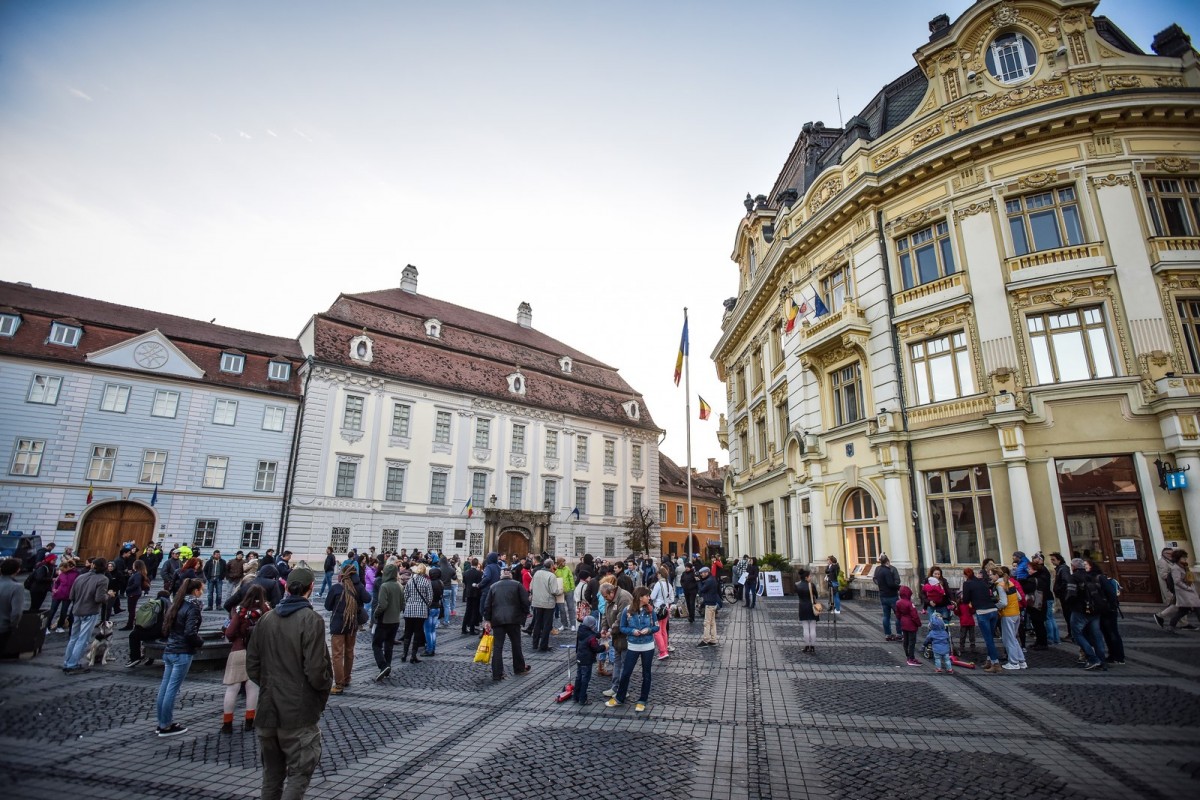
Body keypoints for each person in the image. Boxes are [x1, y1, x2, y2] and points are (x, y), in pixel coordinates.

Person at [246, 565, 333, 800]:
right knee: (298, 774)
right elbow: (316, 670)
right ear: (311, 588)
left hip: (267, 710)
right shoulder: (310, 619)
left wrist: (269, 685)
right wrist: (322, 689)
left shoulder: (266, 618)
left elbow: (252, 665)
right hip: (297, 712)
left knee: (271, 776)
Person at [156, 577, 205, 736]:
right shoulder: (193, 607)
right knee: (172, 689)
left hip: (170, 650)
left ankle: (162, 722)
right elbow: (190, 632)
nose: (202, 592)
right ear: (195, 591)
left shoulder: (176, 604)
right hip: (182, 652)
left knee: (165, 688)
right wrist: (199, 642)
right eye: (201, 589)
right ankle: (166, 726)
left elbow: (168, 628)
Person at [223, 584, 268, 731]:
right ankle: (250, 721)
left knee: (232, 688)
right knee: (253, 688)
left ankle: (227, 723)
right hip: (256, 653)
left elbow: (229, 633)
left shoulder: (240, 611)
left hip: (238, 649)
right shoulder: (265, 611)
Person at [606, 586, 659, 712]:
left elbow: (656, 627)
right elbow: (622, 627)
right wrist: (632, 631)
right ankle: (620, 697)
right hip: (633, 645)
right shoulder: (627, 611)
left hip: (648, 646)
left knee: (646, 674)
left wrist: (649, 630)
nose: (649, 598)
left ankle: (642, 700)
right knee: (626, 672)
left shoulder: (651, 611)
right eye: (647, 595)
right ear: (641, 597)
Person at [62, 558, 113, 675]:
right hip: (90, 611)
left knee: (73, 637)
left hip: (76, 610)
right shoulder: (103, 579)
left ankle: (67, 661)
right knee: (83, 639)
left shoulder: (80, 576)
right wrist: (108, 595)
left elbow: (72, 595)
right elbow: (99, 598)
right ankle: (72, 664)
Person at [325, 565, 369, 693]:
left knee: (337, 655)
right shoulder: (358, 587)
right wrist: (359, 585)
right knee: (349, 652)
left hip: (338, 625)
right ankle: (347, 677)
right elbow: (368, 599)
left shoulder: (336, 588)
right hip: (352, 624)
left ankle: (339, 684)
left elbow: (327, 606)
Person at [483, 568, 531, 681]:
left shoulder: (493, 586)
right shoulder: (517, 585)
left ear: (501, 575)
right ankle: (519, 668)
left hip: (497, 620)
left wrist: (487, 620)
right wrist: (523, 616)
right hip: (514, 620)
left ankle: (497, 673)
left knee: (498, 647)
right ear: (510, 575)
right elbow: (525, 602)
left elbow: (487, 605)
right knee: (516, 644)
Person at [1065, 558, 1107, 670]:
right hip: (1095, 609)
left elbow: (1071, 594)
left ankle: (1093, 658)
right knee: (1097, 635)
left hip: (1080, 609)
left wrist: (1069, 605)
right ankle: (1102, 660)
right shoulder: (1092, 576)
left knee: (1076, 633)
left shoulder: (1073, 577)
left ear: (1073, 567)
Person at [960, 566, 1001, 673]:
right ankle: (989, 660)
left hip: (983, 612)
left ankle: (995, 663)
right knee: (990, 637)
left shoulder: (967, 583)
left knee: (988, 639)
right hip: (993, 610)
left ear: (965, 575)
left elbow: (965, 600)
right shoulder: (982, 582)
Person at [125, 587, 171, 668]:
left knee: (133, 635)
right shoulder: (170, 604)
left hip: (159, 632)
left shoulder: (157, 603)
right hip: (166, 632)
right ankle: (150, 657)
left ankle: (135, 658)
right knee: (145, 633)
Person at [600, 582, 633, 695]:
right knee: (617, 663)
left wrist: (610, 630)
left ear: (612, 592)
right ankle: (615, 688)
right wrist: (604, 628)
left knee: (624, 664)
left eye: (606, 596)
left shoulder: (624, 598)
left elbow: (621, 619)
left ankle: (623, 690)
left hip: (625, 636)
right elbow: (605, 614)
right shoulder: (609, 599)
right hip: (616, 637)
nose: (605, 599)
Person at [372, 563, 402, 681]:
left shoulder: (384, 586)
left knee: (376, 644)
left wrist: (376, 614)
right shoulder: (399, 585)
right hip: (395, 620)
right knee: (389, 645)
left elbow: (382, 605)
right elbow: (402, 604)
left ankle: (383, 665)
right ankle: (388, 667)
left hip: (384, 620)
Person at [994, 567, 1026, 670]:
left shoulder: (1000, 585)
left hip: (1007, 614)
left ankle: (1013, 662)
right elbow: (1019, 597)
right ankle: (1021, 661)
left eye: (991, 575)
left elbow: (1003, 602)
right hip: (1016, 612)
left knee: (1009, 639)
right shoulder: (1010, 583)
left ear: (996, 575)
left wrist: (995, 607)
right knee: (1013, 638)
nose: (990, 576)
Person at [400, 563, 431, 664]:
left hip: (409, 610)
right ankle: (413, 656)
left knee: (408, 632)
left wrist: (409, 603)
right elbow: (430, 598)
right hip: (421, 611)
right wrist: (425, 604)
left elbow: (405, 595)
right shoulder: (426, 582)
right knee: (417, 633)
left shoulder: (410, 581)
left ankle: (404, 654)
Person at [1164, 550, 1200, 632]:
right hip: (1184, 592)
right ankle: (1171, 625)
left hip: (1188, 591)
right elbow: (1177, 581)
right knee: (1197, 608)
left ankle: (1171, 625)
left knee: (1184, 610)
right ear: (1178, 558)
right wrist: (1187, 588)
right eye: (1183, 557)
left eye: (1185, 557)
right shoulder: (1175, 568)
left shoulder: (1183, 566)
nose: (1185, 559)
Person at [574, 614, 606, 705]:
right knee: (585, 679)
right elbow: (596, 648)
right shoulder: (591, 637)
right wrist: (604, 647)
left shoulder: (581, 630)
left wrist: (599, 635)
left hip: (580, 657)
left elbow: (590, 635)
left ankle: (576, 696)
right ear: (592, 626)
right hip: (587, 660)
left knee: (578, 677)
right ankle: (583, 699)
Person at [529, 558, 559, 652]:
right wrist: (560, 591)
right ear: (551, 566)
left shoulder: (537, 573)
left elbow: (531, 587)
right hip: (548, 603)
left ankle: (535, 644)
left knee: (537, 623)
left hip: (537, 602)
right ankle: (543, 645)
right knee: (546, 625)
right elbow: (554, 591)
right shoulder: (551, 575)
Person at [873, 554, 902, 641]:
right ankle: (899, 633)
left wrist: (881, 585)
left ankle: (887, 634)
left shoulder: (878, 569)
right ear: (887, 561)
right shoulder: (889, 570)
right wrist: (899, 587)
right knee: (898, 615)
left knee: (886, 615)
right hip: (891, 595)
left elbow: (875, 579)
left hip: (883, 595)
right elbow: (892, 583)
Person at [46, 558, 79, 634]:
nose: (61, 571)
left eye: (63, 570)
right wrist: (54, 589)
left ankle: (59, 626)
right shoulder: (62, 574)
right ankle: (47, 626)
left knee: (64, 611)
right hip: (57, 594)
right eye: (61, 570)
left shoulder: (76, 574)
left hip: (68, 596)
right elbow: (57, 583)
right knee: (52, 610)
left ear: (67, 567)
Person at [895, 585, 923, 667]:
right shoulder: (910, 604)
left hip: (903, 623)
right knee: (912, 642)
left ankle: (908, 656)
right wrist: (919, 623)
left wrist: (901, 619)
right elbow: (915, 616)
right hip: (911, 624)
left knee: (906, 641)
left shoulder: (898, 602)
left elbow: (897, 614)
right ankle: (911, 658)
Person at [0, 558, 23, 654]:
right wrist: (13, 625)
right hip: (3, 626)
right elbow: (16, 612)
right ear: (17, 570)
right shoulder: (16, 587)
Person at [650, 566, 673, 660]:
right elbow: (671, 599)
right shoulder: (669, 584)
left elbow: (652, 597)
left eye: (657, 574)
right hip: (666, 608)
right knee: (664, 630)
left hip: (658, 609)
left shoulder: (658, 584)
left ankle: (662, 652)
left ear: (660, 574)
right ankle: (665, 649)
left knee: (657, 632)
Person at [796, 568, 820, 654]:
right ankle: (812, 646)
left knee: (805, 628)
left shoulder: (797, 585)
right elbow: (816, 595)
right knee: (813, 628)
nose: (811, 577)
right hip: (812, 607)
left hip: (802, 607)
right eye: (810, 576)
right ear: (806, 577)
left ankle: (806, 646)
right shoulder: (811, 585)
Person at [123, 559, 150, 631]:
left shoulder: (138, 574)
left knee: (131, 610)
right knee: (131, 609)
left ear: (136, 566)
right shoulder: (137, 573)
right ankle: (130, 623)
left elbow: (136, 584)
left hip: (133, 593)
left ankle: (130, 625)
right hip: (135, 593)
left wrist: (128, 589)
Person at [697, 566, 721, 646]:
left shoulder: (709, 581)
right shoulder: (712, 579)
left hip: (709, 603)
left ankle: (705, 639)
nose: (701, 575)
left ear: (706, 572)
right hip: (713, 603)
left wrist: (699, 582)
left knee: (707, 622)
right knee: (712, 622)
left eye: (702, 573)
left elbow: (701, 590)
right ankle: (713, 639)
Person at [423, 566, 443, 656]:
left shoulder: (430, 583)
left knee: (427, 630)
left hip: (430, 608)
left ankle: (429, 649)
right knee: (433, 630)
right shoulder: (440, 583)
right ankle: (433, 648)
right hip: (437, 607)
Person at [461, 558, 483, 635]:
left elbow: (464, 583)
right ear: (477, 564)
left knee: (467, 611)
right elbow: (480, 584)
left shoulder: (466, 573)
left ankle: (464, 628)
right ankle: (472, 629)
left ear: (471, 564)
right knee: (474, 611)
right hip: (476, 594)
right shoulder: (479, 573)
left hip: (468, 593)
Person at [555, 557, 577, 632]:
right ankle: (564, 624)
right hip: (559, 592)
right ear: (560, 562)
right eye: (564, 562)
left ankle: (573, 624)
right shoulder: (556, 570)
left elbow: (571, 578)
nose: (565, 563)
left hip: (568, 591)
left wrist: (572, 588)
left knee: (571, 608)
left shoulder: (567, 569)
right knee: (561, 609)